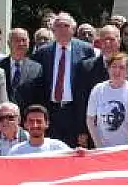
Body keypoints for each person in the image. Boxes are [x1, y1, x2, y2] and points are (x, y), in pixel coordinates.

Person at [31, 14, 93, 145]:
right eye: (58, 26)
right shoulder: (43, 53)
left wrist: (84, 127)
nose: (62, 30)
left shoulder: (86, 50)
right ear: (53, 30)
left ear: (74, 29)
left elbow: (88, 85)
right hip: (50, 112)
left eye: (66, 26)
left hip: (74, 111)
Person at [86, 52, 128, 148]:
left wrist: (126, 149)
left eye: (121, 67)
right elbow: (90, 119)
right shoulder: (98, 89)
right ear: (108, 69)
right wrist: (98, 145)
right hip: (104, 148)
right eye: (113, 66)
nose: (117, 71)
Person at [0, 28, 43, 115]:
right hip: (3, 117)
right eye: (17, 40)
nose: (21, 44)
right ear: (9, 43)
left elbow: (38, 97)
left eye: (24, 40)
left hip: (26, 118)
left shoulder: (37, 68)